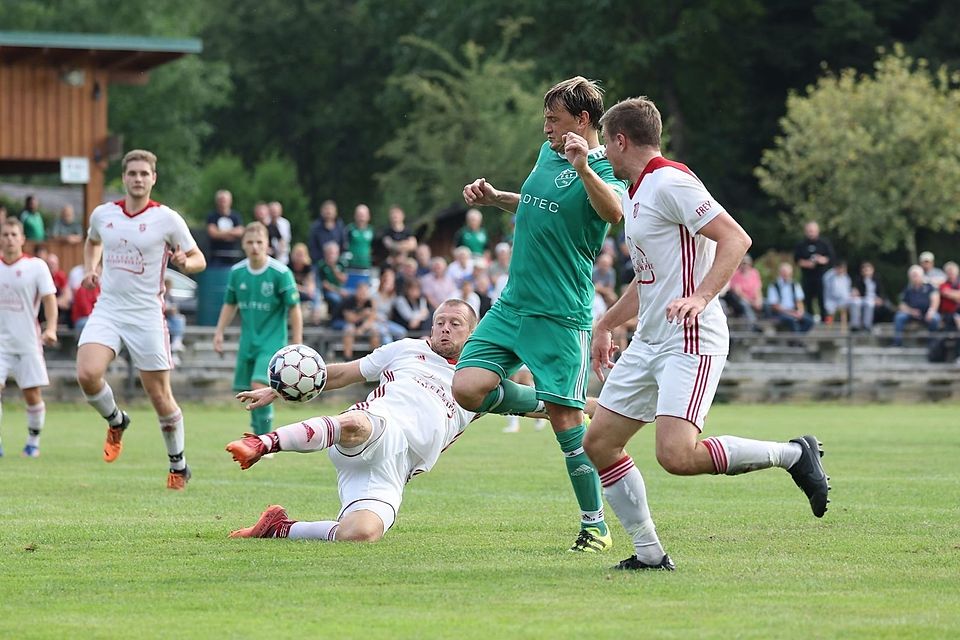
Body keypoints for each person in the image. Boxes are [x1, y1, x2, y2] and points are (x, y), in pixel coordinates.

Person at [585, 96, 830, 572]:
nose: (604, 155)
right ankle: (649, 555)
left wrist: (700, 297)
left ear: (621, 140)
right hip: (650, 340)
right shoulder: (635, 193)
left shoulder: (671, 181)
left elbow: (736, 238)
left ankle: (792, 454)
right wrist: (607, 322)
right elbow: (649, 279)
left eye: (606, 145)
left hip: (689, 338)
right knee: (599, 443)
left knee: (676, 455)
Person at [453, 77, 626, 553]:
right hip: (513, 304)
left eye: (554, 119)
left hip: (560, 313)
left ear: (583, 120)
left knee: (568, 430)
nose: (546, 127)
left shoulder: (606, 165)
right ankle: (551, 401)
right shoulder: (547, 153)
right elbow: (538, 204)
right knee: (466, 387)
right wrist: (498, 198)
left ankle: (595, 526)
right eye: (546, 119)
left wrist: (583, 166)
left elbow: (613, 213)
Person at [226, 299, 535, 541]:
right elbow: (345, 373)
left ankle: (279, 528)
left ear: (472, 334)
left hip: (396, 469)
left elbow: (541, 405)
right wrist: (279, 389)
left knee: (361, 533)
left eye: (455, 324)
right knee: (357, 424)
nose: (445, 328)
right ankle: (263, 443)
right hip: (378, 426)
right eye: (440, 322)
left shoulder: (478, 384)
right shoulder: (407, 349)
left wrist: (569, 411)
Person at [76, 149, 207, 490]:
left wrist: (185, 262)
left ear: (153, 179)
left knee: (159, 396)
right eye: (132, 173)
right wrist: (91, 268)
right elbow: (92, 242)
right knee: (87, 374)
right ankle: (116, 420)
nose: (138, 178)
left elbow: (199, 259)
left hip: (147, 314)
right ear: (123, 178)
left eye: (144, 173)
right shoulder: (104, 214)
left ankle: (178, 465)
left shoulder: (167, 219)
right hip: (108, 308)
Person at [213, 222, 303, 437]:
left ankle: (266, 441)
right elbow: (230, 304)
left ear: (267, 244)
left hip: (272, 341)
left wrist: (297, 343)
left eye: (259, 242)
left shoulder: (280, 273)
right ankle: (257, 437)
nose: (255, 246)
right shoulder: (237, 272)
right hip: (248, 341)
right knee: (248, 393)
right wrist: (219, 332)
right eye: (250, 242)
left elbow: (294, 308)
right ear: (243, 244)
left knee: (258, 385)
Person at [0, 218, 58, 458]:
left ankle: (33, 442)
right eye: (5, 234)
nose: (9, 239)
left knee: (32, 394)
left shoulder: (36, 267)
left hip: (27, 341)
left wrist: (51, 328)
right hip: (1, 343)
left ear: (23, 239)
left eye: (14, 234)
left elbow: (49, 299)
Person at [793, 221, 834, 319]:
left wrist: (821, 260)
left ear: (817, 231)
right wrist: (807, 263)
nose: (811, 233)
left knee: (822, 298)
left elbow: (831, 258)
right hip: (807, 276)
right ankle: (809, 318)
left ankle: (824, 319)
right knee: (807, 298)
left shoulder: (824, 243)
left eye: (813, 231)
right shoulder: (801, 245)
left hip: (822, 276)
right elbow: (797, 260)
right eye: (809, 231)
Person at [892, 265, 940, 347]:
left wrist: (931, 311)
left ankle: (932, 343)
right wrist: (910, 311)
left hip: (927, 313)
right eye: (912, 276)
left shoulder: (929, 287)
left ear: (921, 275)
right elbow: (902, 304)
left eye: (916, 275)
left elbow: (935, 299)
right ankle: (897, 343)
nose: (914, 278)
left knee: (935, 318)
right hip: (912, 314)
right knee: (899, 317)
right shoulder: (908, 289)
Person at [767, 263, 814, 333]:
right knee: (791, 320)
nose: (786, 275)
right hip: (779, 313)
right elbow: (774, 306)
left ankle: (797, 338)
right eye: (784, 273)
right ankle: (797, 338)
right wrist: (789, 313)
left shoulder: (795, 284)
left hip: (794, 311)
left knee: (810, 320)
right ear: (780, 273)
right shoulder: (773, 285)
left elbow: (799, 301)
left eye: (788, 273)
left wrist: (800, 312)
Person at [723, 254, 763, 330]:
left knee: (767, 304)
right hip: (741, 299)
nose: (745, 265)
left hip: (753, 299)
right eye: (743, 263)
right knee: (745, 304)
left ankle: (767, 326)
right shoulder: (735, 274)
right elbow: (738, 292)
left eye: (747, 263)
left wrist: (758, 300)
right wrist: (751, 302)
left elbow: (757, 289)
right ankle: (753, 325)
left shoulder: (754, 273)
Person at [205, 189, 245, 266]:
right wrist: (232, 233)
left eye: (225, 200)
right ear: (217, 201)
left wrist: (220, 232)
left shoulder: (236, 216)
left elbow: (240, 232)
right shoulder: (212, 216)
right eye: (221, 200)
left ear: (230, 201)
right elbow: (213, 233)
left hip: (234, 255)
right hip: (216, 255)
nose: (223, 203)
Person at [307, 200, 345, 268]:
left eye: (331, 209)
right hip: (319, 263)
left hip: (337, 264)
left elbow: (343, 245)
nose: (328, 212)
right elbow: (312, 247)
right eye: (326, 209)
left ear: (335, 212)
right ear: (321, 212)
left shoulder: (340, 226)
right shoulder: (315, 227)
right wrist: (322, 261)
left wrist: (337, 260)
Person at [850, 261, 887, 332]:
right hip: (863, 298)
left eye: (868, 270)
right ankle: (855, 325)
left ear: (872, 270)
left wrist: (880, 299)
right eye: (864, 270)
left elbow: (881, 292)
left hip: (874, 299)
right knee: (854, 302)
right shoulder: (858, 279)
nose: (866, 272)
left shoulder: (877, 279)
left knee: (869, 303)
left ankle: (867, 326)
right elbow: (855, 290)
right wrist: (854, 291)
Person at [290, 242, 321, 324]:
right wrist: (304, 289)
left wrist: (310, 289)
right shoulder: (289, 266)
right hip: (294, 291)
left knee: (316, 293)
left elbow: (311, 282)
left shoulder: (308, 267)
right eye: (298, 254)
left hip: (304, 291)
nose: (299, 257)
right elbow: (290, 285)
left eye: (301, 255)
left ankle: (315, 316)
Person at [317, 241, 348, 319]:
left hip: (342, 289)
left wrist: (334, 268)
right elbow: (325, 284)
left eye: (334, 253)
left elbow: (344, 279)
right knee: (336, 299)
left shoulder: (341, 263)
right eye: (330, 253)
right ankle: (337, 319)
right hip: (329, 291)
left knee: (353, 296)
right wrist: (338, 291)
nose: (332, 255)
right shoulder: (322, 265)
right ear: (325, 254)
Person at [344, 204, 375, 270]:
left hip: (366, 266)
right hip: (351, 266)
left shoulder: (372, 231)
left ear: (368, 216)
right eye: (359, 215)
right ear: (355, 216)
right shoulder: (349, 229)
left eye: (363, 215)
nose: (361, 217)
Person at [822, 260, 852, 325]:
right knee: (829, 311)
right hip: (830, 298)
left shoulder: (846, 277)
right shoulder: (828, 275)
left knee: (846, 308)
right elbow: (829, 289)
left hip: (842, 298)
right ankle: (828, 326)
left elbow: (847, 290)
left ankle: (844, 326)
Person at [938, 261, 960, 332]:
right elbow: (945, 293)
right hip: (947, 314)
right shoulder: (943, 284)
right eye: (949, 272)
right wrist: (957, 295)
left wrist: (952, 294)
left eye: (952, 272)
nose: (951, 274)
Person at [268, 201, 291, 265]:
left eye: (276, 211)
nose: (274, 213)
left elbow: (285, 239)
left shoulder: (285, 223)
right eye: (273, 211)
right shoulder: (266, 223)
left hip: (282, 256)